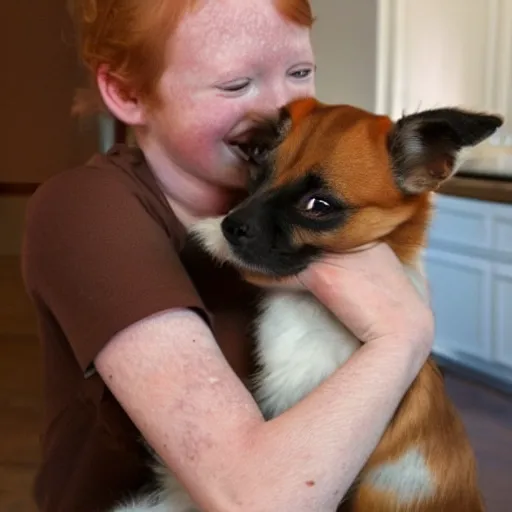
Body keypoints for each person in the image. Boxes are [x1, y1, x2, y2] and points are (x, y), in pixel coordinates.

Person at [21, 0, 434, 511]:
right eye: (237, 85)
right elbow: (257, 501)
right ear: (128, 93)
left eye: (300, 71)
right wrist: (403, 336)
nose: (283, 106)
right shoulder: (84, 209)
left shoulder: (303, 208)